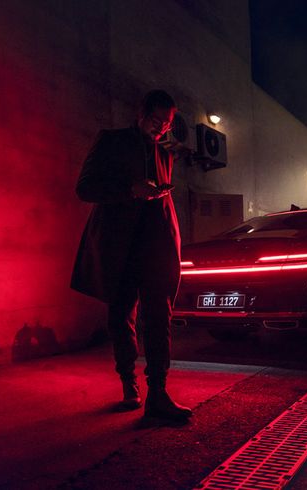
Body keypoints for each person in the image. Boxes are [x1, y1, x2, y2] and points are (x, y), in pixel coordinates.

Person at [71, 89, 191, 420]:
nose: (162, 129)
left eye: (167, 124)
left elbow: (170, 172)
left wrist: (160, 191)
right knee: (122, 316)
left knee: (159, 317)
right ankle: (129, 383)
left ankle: (158, 393)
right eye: (156, 121)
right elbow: (85, 188)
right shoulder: (111, 140)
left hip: (158, 244)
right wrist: (130, 190)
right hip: (119, 244)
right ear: (140, 114)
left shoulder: (167, 149)